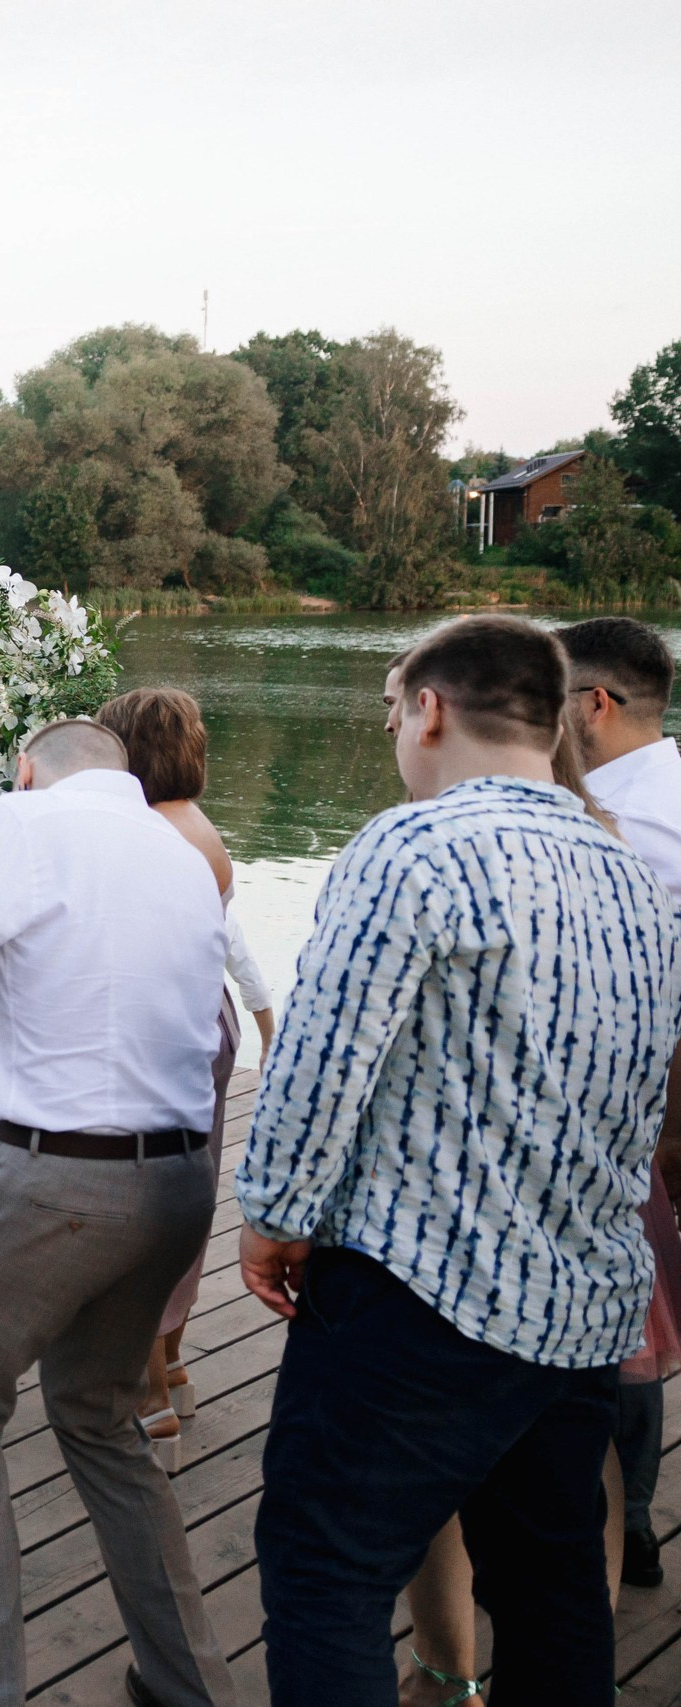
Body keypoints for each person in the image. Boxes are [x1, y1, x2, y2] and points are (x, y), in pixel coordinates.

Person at [238, 615, 681, 1705]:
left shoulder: (416, 844)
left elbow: (321, 1055)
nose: (394, 734)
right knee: (553, 1580)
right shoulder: (626, 869)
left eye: (393, 712)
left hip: (422, 1299)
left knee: (325, 1568)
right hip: (580, 1306)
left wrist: (272, 1213)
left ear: (429, 709)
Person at [0, 716, 236, 1707]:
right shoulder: (180, 852)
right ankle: (184, 1682)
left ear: (26, 768)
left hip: (54, 1186)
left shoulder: (20, 822)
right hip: (176, 1184)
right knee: (99, 1414)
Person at [94, 686, 275, 1470]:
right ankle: (171, 1361)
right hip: (210, 1022)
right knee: (188, 1191)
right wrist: (266, 1012)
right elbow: (226, 932)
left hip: (162, 1027)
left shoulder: (141, 836)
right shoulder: (196, 825)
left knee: (145, 1199)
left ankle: (148, 1388)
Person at [563, 616, 681, 1597]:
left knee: (624, 1321)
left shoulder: (615, 821)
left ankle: (618, 1522)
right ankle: (629, 1524)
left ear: (592, 704)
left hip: (631, 1097)